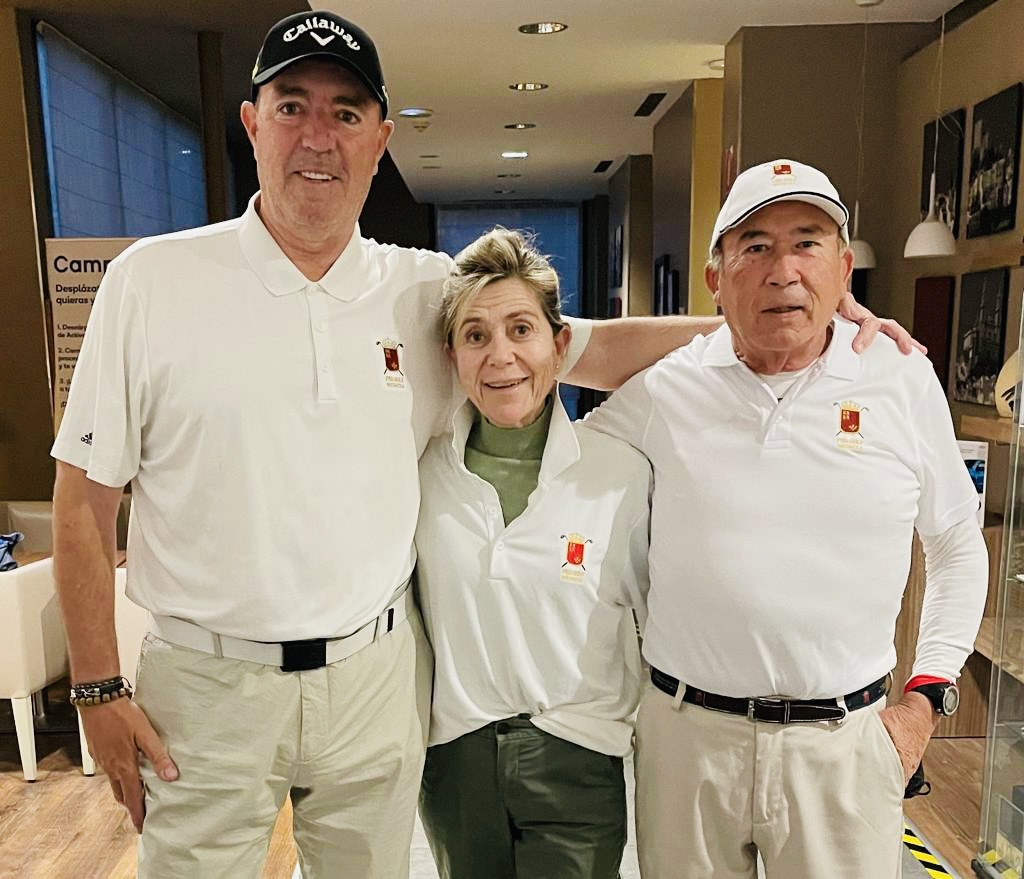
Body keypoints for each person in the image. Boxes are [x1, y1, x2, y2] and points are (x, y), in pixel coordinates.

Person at [51, 11, 834, 877]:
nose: (319, 136)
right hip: (207, 683)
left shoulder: (425, 288)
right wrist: (96, 686)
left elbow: (594, 348)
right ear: (253, 123)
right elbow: (84, 499)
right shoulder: (153, 281)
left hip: (375, 675)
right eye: (292, 106)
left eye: (347, 113)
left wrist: (799, 317)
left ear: (380, 139)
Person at [584, 159, 989, 879]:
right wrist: (733, 324)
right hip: (687, 743)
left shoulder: (898, 376)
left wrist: (928, 698)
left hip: (844, 745)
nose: (783, 269)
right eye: (756, 247)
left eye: (807, 243)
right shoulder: (669, 386)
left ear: (844, 268)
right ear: (715, 277)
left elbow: (956, 540)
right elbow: (542, 351)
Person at [415, 228, 651, 878]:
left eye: (521, 329)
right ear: (452, 355)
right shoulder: (424, 472)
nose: (501, 356)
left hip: (578, 754)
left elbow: (659, 622)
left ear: (560, 344)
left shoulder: (619, 472)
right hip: (457, 759)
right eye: (476, 335)